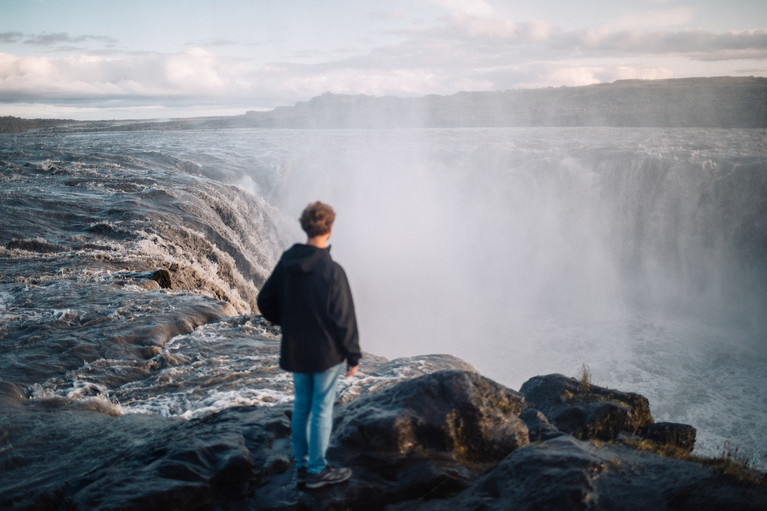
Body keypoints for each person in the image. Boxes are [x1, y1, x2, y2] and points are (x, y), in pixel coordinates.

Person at [257, 201, 361, 489]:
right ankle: (317, 470)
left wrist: (287, 321)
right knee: (322, 408)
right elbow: (344, 318)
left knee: (302, 406)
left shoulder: (288, 261)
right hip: (326, 353)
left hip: (295, 348)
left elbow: (264, 301)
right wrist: (353, 355)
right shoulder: (332, 271)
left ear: (305, 226)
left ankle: (301, 464)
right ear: (329, 228)